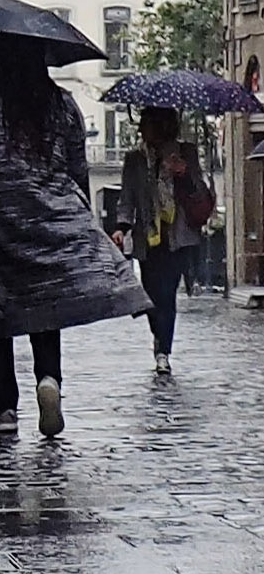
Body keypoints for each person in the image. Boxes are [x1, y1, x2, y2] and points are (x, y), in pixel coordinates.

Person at [0, 35, 150, 437]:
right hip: (53, 215)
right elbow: (78, 167)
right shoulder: (62, 104)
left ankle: (5, 408)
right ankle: (49, 380)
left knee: (0, 310)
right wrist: (78, 216)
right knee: (47, 301)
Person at [114, 106, 211, 376]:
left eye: (146, 124)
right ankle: (159, 336)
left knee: (167, 295)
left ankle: (163, 352)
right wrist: (121, 228)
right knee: (151, 297)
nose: (142, 129)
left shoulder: (186, 153)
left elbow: (199, 191)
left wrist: (183, 174)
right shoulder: (135, 160)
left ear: (162, 126)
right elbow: (127, 198)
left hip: (177, 237)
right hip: (149, 238)